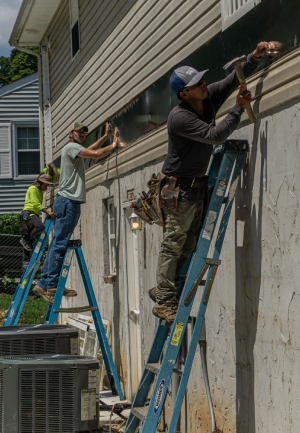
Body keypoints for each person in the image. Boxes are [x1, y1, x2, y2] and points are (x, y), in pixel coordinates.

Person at [151, 42, 274, 322]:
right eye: (196, 84)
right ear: (184, 93)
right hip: (177, 190)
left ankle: (163, 288)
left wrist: (253, 57)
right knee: (173, 245)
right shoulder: (179, 117)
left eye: (202, 80)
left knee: (190, 242)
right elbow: (215, 135)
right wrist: (238, 109)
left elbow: (233, 79)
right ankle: (164, 299)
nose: (204, 84)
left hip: (195, 188)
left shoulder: (206, 98)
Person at [33, 121, 119, 303]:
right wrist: (114, 144)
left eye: (84, 133)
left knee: (57, 242)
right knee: (60, 244)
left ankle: (44, 283)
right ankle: (51, 286)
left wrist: (105, 136)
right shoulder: (71, 147)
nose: (82, 135)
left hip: (65, 201)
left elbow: (90, 149)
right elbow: (95, 154)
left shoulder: (74, 150)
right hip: (69, 202)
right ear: (71, 134)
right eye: (79, 132)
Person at [19, 174, 56, 268]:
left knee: (30, 239)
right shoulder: (33, 189)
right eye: (46, 185)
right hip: (28, 214)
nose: (46, 187)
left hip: (34, 214)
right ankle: (25, 239)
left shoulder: (40, 191)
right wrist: (48, 211)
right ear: (41, 183)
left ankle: (26, 261)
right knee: (40, 227)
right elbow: (35, 204)